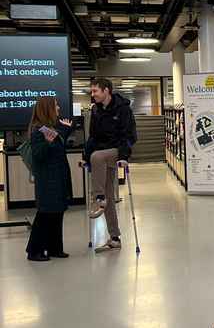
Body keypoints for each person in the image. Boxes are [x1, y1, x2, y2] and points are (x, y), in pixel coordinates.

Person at [84, 78, 137, 253]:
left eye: (95, 91)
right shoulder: (96, 110)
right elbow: (93, 137)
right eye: (91, 92)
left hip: (117, 151)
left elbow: (129, 135)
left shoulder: (123, 109)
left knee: (97, 156)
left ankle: (97, 198)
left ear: (106, 90)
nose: (92, 95)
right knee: (109, 197)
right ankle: (115, 237)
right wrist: (86, 156)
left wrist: (123, 156)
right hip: (102, 153)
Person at [26, 97, 72, 262]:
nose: (59, 108)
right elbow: (39, 154)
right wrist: (48, 142)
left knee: (57, 212)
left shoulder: (50, 128)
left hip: (57, 176)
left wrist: (65, 131)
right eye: (56, 106)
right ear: (48, 109)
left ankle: (54, 248)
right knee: (45, 214)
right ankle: (34, 251)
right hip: (48, 179)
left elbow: (57, 148)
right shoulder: (39, 130)